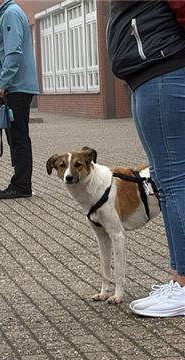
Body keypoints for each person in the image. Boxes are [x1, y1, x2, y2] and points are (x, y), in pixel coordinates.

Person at [107, 0, 185, 317]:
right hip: (151, 73)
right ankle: (178, 277)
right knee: (168, 181)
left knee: (174, 180)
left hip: (164, 70)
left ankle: (183, 284)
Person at [0, 0, 39, 199]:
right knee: (15, 136)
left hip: (15, 87)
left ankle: (21, 185)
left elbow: (13, 52)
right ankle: (20, 181)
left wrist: (3, 83)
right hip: (15, 86)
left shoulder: (10, 14)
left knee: (18, 137)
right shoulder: (10, 13)